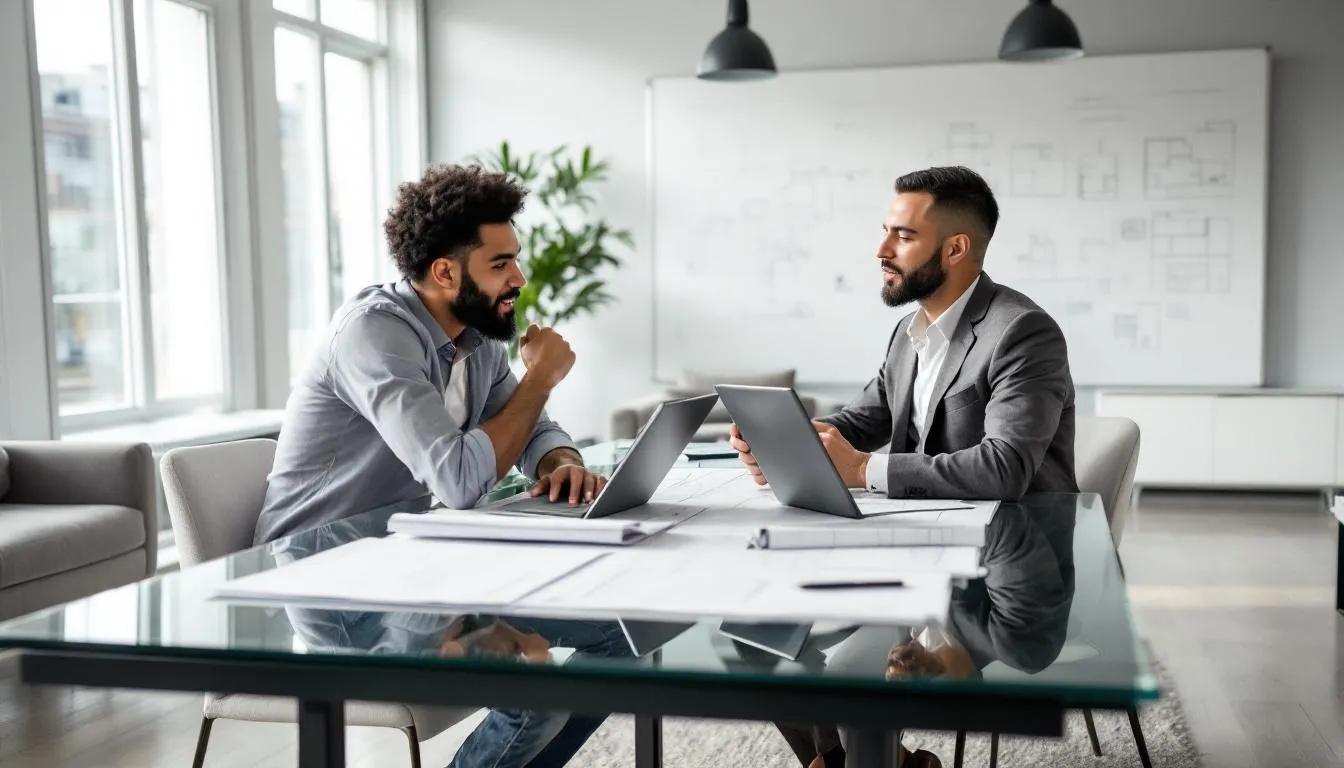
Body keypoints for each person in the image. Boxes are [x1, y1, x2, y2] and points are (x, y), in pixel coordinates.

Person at [255, 163, 628, 768]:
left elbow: (530, 426)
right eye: (501, 263)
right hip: (334, 584)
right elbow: (457, 481)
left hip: (419, 566)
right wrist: (542, 377)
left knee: (621, 634)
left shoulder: (477, 342)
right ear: (445, 272)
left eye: (515, 259)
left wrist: (561, 458)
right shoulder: (373, 336)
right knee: (537, 689)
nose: (520, 278)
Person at [731, 165, 1078, 502]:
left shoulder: (1021, 332)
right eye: (885, 231)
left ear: (955, 249)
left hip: (1017, 538)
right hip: (930, 527)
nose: (882, 250)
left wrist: (864, 469)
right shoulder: (908, 332)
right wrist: (784, 442)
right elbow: (862, 422)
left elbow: (1006, 466)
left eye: (904, 236)